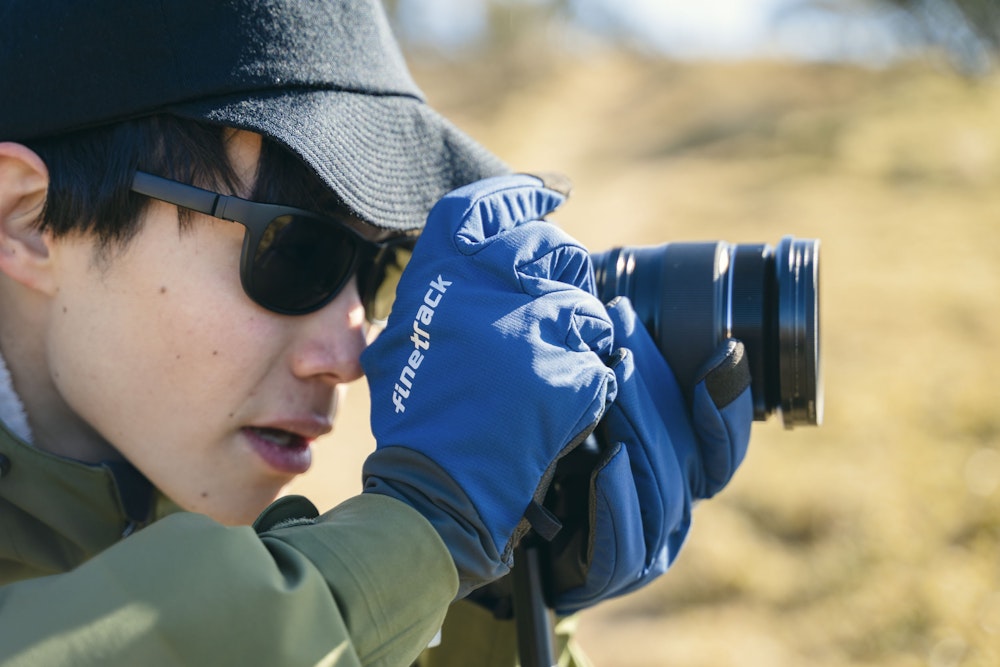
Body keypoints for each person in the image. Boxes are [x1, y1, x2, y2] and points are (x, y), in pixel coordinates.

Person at [0, 1, 754, 665]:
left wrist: (485, 606)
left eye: (381, 268)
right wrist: (417, 534)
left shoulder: (155, 509)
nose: (352, 352)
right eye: (297, 253)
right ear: (27, 218)